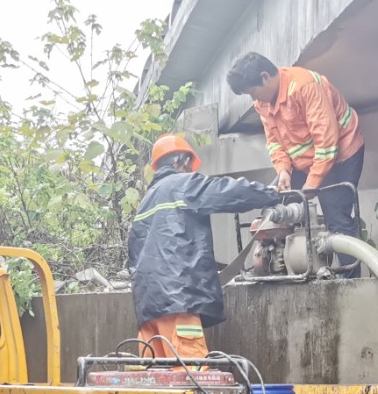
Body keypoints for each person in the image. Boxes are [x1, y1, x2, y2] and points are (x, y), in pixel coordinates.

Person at [128, 133, 278, 357]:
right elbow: (228, 192)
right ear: (182, 160)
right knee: (193, 377)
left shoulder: (145, 203)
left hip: (149, 312)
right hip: (180, 302)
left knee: (156, 381)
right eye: (189, 164)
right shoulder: (184, 185)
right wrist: (270, 194)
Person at [226, 51, 364, 276]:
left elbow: (327, 145)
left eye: (253, 92)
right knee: (275, 204)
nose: (254, 100)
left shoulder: (304, 86)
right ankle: (281, 270)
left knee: (337, 217)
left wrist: (310, 187)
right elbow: (274, 143)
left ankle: (350, 283)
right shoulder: (263, 103)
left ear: (264, 77)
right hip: (307, 160)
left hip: (341, 154)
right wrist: (283, 172)